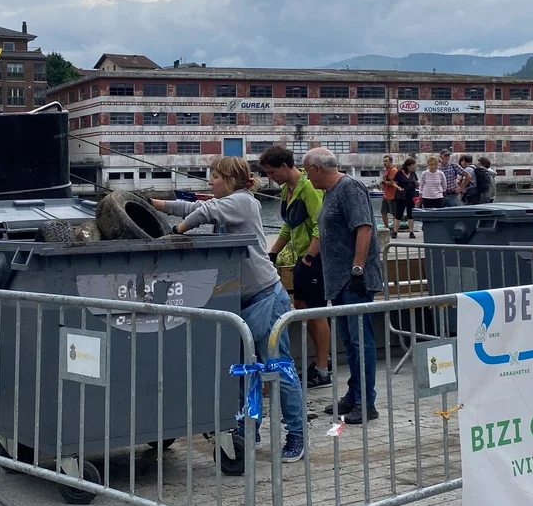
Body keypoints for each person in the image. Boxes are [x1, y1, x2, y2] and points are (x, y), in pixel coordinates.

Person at [151, 156, 305, 462]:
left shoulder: (243, 201)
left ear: (232, 180)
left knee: (279, 368)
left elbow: (204, 211)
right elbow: (196, 207)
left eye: (216, 177)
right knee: (246, 371)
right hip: (241, 301)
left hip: (265, 297)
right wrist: (156, 204)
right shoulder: (227, 203)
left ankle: (297, 434)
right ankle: (249, 428)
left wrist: (177, 232)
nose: (211, 182)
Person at [302, 147, 383, 424]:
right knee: (349, 340)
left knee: (361, 341)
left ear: (317, 169)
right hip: (338, 281)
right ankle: (354, 393)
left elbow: (364, 228)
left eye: (307, 171)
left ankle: (366, 402)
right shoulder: (330, 192)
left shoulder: (349, 188)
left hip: (353, 280)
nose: (307, 177)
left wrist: (358, 269)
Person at [259, 145, 331, 389]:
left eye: (272, 172)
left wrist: (310, 256)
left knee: (316, 310)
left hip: (315, 257)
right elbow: (288, 225)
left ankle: (323, 369)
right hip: (302, 256)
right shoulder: (286, 190)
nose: (270, 178)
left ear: (285, 166)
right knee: (301, 306)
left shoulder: (308, 187)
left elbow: (320, 224)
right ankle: (322, 361)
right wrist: (273, 252)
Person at [393, 157, 418, 238]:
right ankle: (395, 231)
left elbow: (416, 182)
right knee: (399, 214)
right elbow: (394, 183)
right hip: (401, 196)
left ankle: (411, 232)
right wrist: (398, 187)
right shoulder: (399, 173)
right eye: (413, 165)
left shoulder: (413, 173)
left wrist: (417, 185)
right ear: (408, 166)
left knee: (410, 214)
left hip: (411, 195)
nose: (415, 167)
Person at [380, 155, 399, 230]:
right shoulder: (386, 170)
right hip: (386, 195)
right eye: (384, 161)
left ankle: (394, 229)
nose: (384, 163)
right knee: (383, 212)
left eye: (386, 161)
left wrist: (384, 182)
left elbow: (394, 183)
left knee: (394, 214)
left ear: (391, 162)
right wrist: (383, 184)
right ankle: (386, 227)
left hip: (393, 196)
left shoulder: (394, 170)